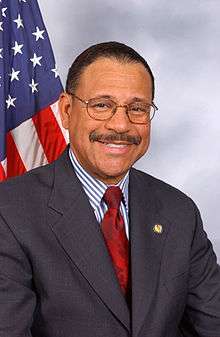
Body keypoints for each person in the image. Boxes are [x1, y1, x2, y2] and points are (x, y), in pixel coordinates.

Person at [0, 41, 219, 337]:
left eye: (137, 108)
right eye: (102, 105)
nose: (120, 125)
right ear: (66, 110)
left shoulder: (179, 211)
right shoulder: (10, 211)